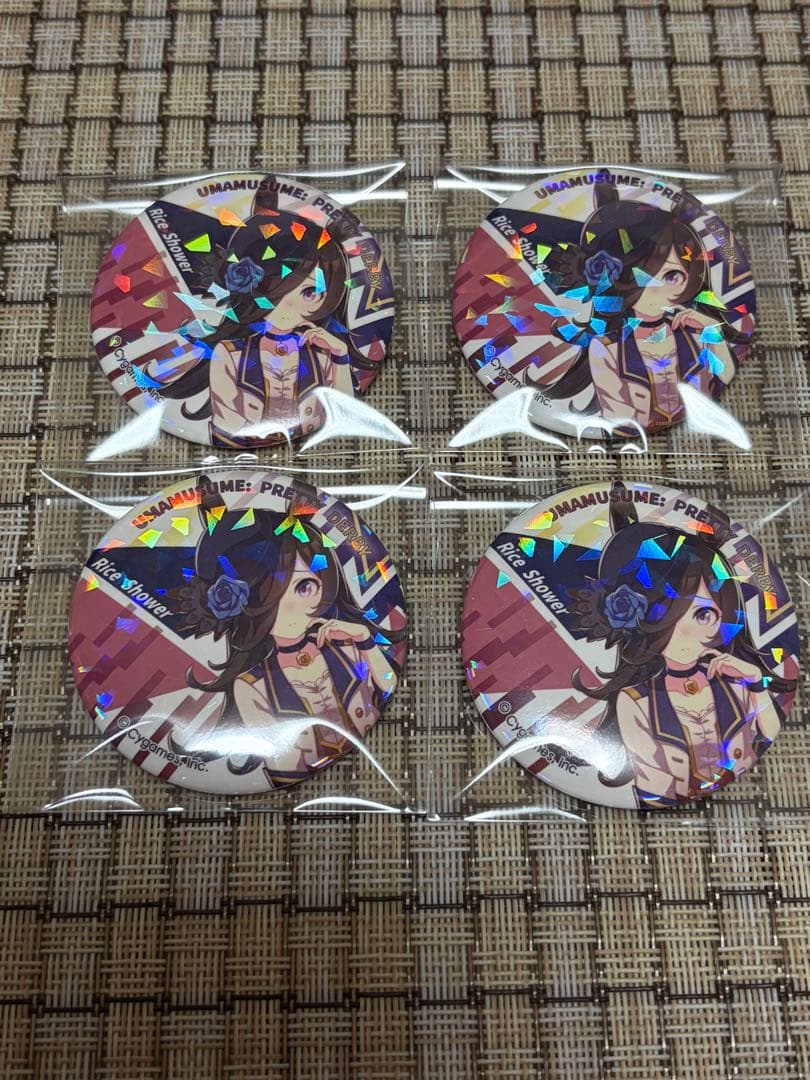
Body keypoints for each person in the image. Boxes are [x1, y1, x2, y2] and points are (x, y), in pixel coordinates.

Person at [171, 480, 406, 786]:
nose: (298, 606)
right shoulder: (252, 685)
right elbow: (280, 762)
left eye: (305, 586)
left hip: (378, 766)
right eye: (270, 596)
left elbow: (389, 685)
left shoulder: (345, 645)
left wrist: (364, 639)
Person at [571, 486, 796, 806]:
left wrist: (757, 683)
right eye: (674, 615)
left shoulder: (733, 677)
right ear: (642, 623)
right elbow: (653, 790)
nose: (706, 630)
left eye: (708, 614)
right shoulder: (635, 701)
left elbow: (770, 734)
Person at [149, 188, 383, 446]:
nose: (288, 305)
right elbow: (228, 426)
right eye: (274, 288)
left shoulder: (323, 352)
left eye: (310, 292)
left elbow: (342, 409)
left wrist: (340, 355)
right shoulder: (230, 354)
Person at [543, 184, 751, 433]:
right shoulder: (607, 347)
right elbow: (619, 420)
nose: (657, 288)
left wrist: (711, 328)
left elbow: (726, 375)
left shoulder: (696, 333)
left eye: (672, 276)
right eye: (640, 276)